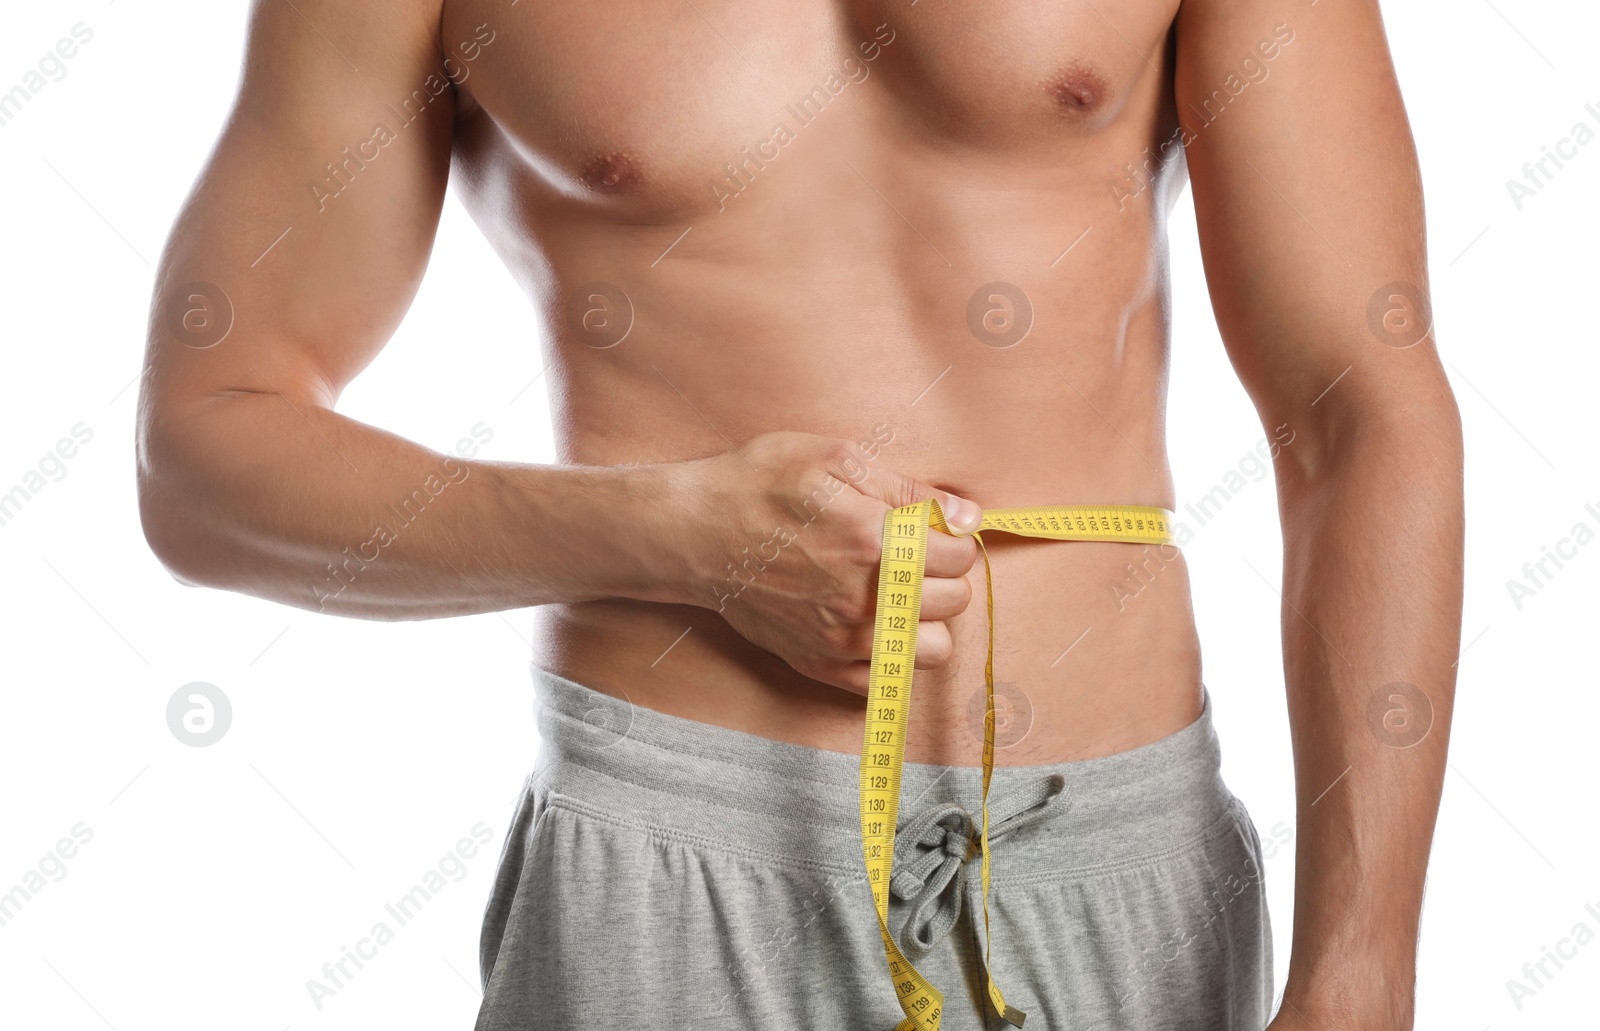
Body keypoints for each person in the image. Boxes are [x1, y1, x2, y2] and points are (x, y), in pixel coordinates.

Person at [136, 0, 1464, 1028]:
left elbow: (1364, 417)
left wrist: (1360, 981)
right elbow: (203, 454)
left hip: (1117, 855)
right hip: (669, 861)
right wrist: (669, 534)